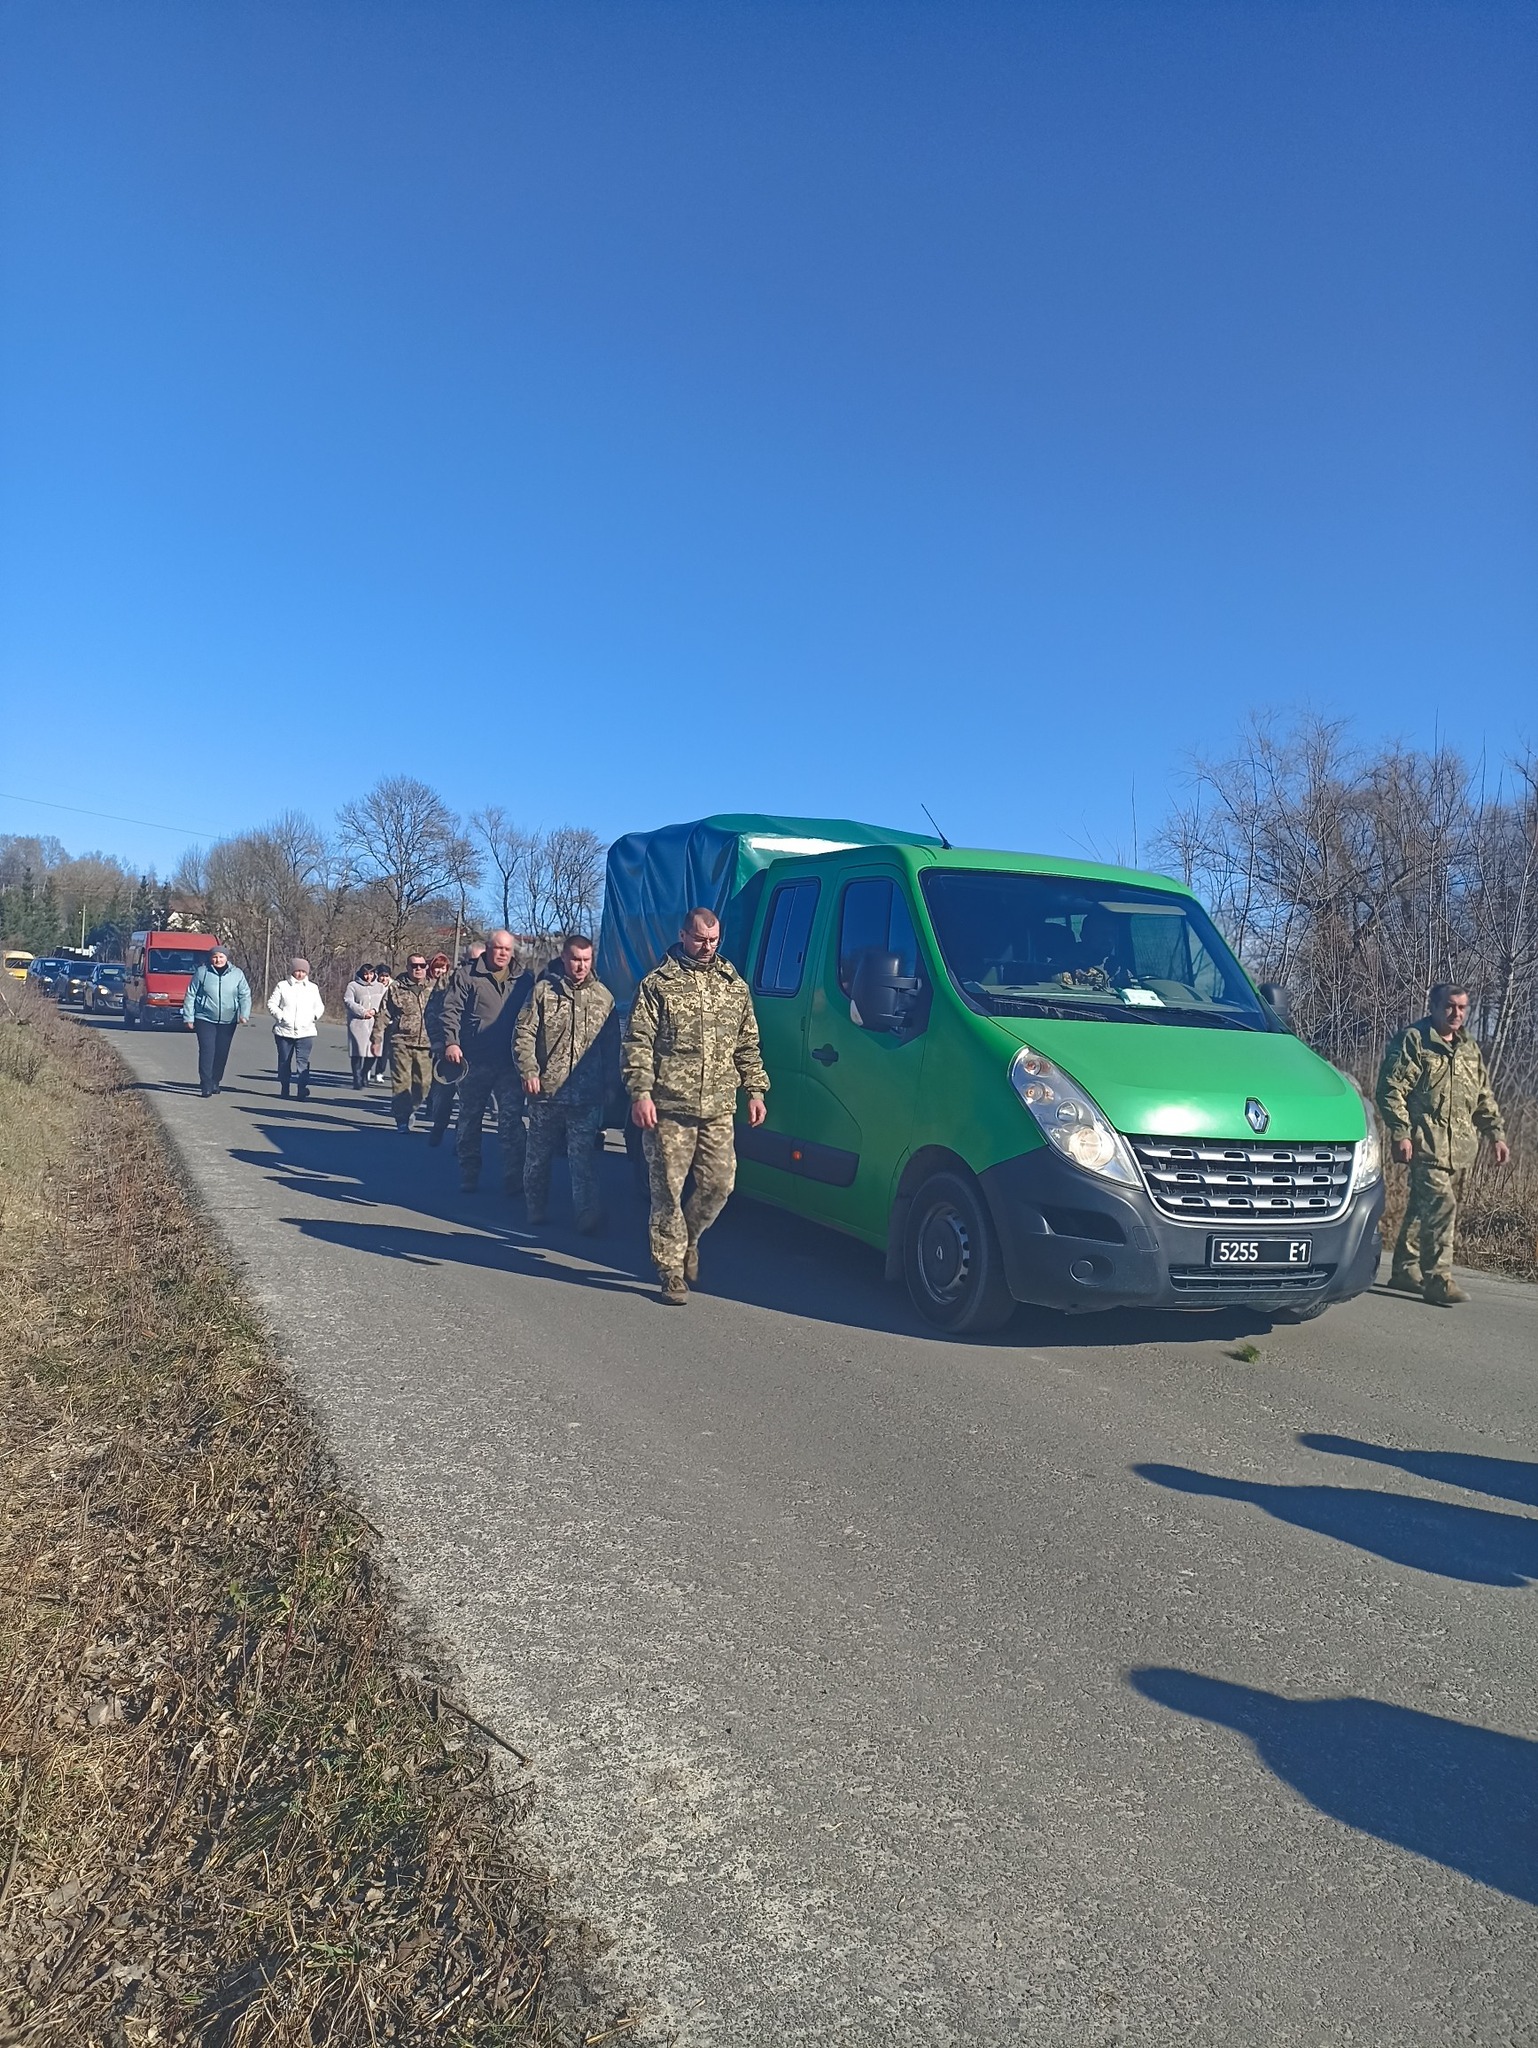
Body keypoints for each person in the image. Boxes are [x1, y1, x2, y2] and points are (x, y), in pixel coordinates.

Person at [622, 907, 769, 1305]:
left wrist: (755, 1090)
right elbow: (637, 1044)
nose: (708, 947)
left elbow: (747, 1043)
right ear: (684, 935)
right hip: (670, 1106)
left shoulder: (732, 983)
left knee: (720, 1185)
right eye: (701, 939)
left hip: (719, 1104)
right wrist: (640, 1094)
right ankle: (670, 1271)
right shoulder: (658, 984)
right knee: (667, 1191)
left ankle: (688, 1239)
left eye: (714, 940)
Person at [1376, 982, 1510, 1306]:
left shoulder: (1468, 1048)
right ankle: (1438, 1280)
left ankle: (1405, 1269)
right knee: (1442, 1205)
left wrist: (1496, 1135)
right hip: (1425, 1144)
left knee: (1423, 1208)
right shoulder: (1415, 1040)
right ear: (1434, 1007)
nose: (1456, 1013)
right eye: (1450, 1006)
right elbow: (1390, 1088)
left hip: (1459, 1148)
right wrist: (1401, 1133)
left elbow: (1483, 1096)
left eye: (1462, 1008)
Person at [516, 933, 620, 1232]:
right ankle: (535, 1206)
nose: (580, 966)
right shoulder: (543, 993)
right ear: (564, 959)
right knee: (538, 1157)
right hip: (546, 1091)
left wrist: (612, 1084)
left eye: (586, 960)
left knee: (583, 1158)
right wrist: (529, 1071)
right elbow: (523, 1035)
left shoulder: (603, 998)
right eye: (575, 959)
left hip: (586, 1095)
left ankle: (586, 1214)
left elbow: (612, 1046)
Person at [439, 930, 533, 1193]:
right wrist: (451, 1041)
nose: (502, 953)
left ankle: (514, 1177)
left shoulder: (524, 980)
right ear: (489, 948)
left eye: (507, 949)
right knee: (470, 1119)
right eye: (498, 948)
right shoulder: (467, 975)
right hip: (475, 1059)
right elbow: (451, 1010)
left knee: (511, 1122)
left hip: (509, 1063)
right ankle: (469, 1172)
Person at [376, 953, 436, 1131]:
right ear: (407, 968)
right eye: (414, 966)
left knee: (423, 1085)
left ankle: (412, 1108)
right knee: (402, 1082)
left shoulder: (434, 988)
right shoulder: (396, 988)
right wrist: (376, 1037)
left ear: (426, 968)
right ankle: (402, 1118)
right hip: (400, 1041)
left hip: (426, 1044)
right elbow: (383, 1013)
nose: (418, 969)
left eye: (421, 966)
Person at [180, 945, 251, 1096]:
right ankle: (205, 1083)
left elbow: (244, 995)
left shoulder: (237, 974)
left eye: (221, 957)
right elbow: (191, 994)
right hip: (205, 1018)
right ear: (210, 958)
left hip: (228, 1019)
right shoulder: (202, 972)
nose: (218, 960)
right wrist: (189, 1017)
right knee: (207, 1050)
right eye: (215, 957)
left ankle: (215, 1081)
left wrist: (244, 1014)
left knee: (221, 1052)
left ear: (227, 958)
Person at [267, 956, 326, 1100]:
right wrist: (281, 1017)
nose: (300, 974)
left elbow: (319, 1006)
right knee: (284, 1060)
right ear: (292, 971)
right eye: (297, 971)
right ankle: (284, 1086)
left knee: (303, 1062)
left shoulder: (312, 988)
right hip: (284, 1031)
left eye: (303, 971)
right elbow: (272, 1004)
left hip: (306, 1031)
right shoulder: (282, 986)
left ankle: (302, 1088)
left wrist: (313, 1017)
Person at [342, 963, 386, 1088]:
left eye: (371, 974)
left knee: (373, 1051)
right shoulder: (353, 986)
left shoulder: (380, 987)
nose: (368, 977)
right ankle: (357, 1077)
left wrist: (374, 1010)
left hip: (375, 1022)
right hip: (358, 1022)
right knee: (358, 1051)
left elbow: (385, 1001)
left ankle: (365, 1073)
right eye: (366, 974)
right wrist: (362, 1011)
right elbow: (348, 1001)